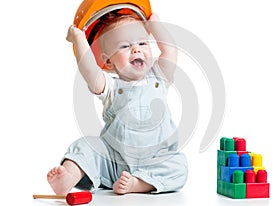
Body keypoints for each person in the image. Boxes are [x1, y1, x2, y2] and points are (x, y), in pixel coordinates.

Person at [47, 10, 188, 195]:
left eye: (142, 43)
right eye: (124, 46)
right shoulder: (111, 87)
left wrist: (155, 25)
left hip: (155, 159)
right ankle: (67, 176)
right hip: (113, 161)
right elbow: (89, 70)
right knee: (85, 145)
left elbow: (170, 50)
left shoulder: (159, 76)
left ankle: (138, 183)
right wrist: (79, 38)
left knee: (179, 166)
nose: (136, 49)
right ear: (108, 61)